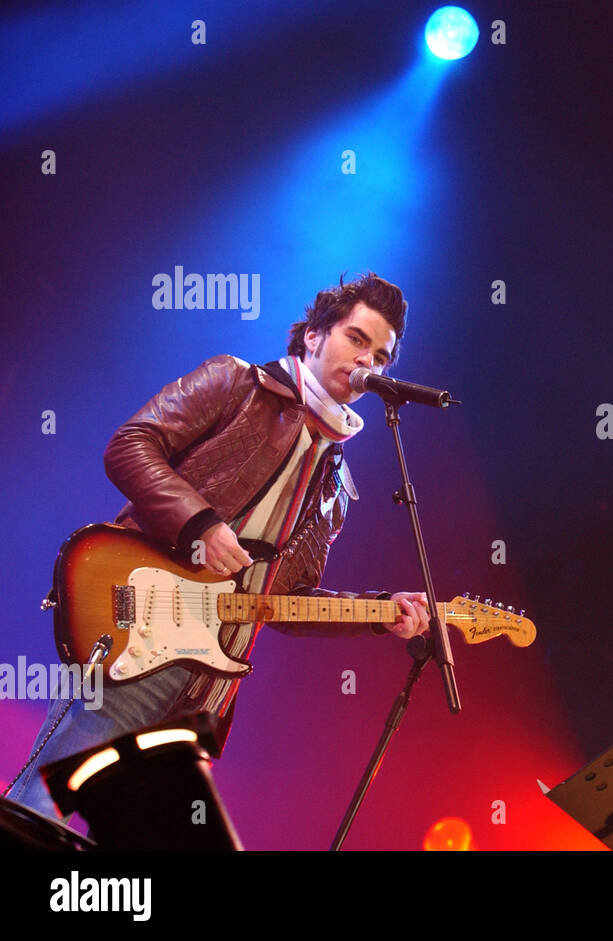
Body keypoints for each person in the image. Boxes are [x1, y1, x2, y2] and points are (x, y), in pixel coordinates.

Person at [5, 272, 432, 823]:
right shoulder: (237, 383)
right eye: (356, 338)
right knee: (42, 807)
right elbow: (131, 445)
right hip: (140, 624)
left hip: (207, 683)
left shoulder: (337, 487)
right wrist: (199, 524)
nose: (367, 362)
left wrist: (378, 614)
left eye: (381, 354)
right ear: (314, 336)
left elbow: (286, 602)